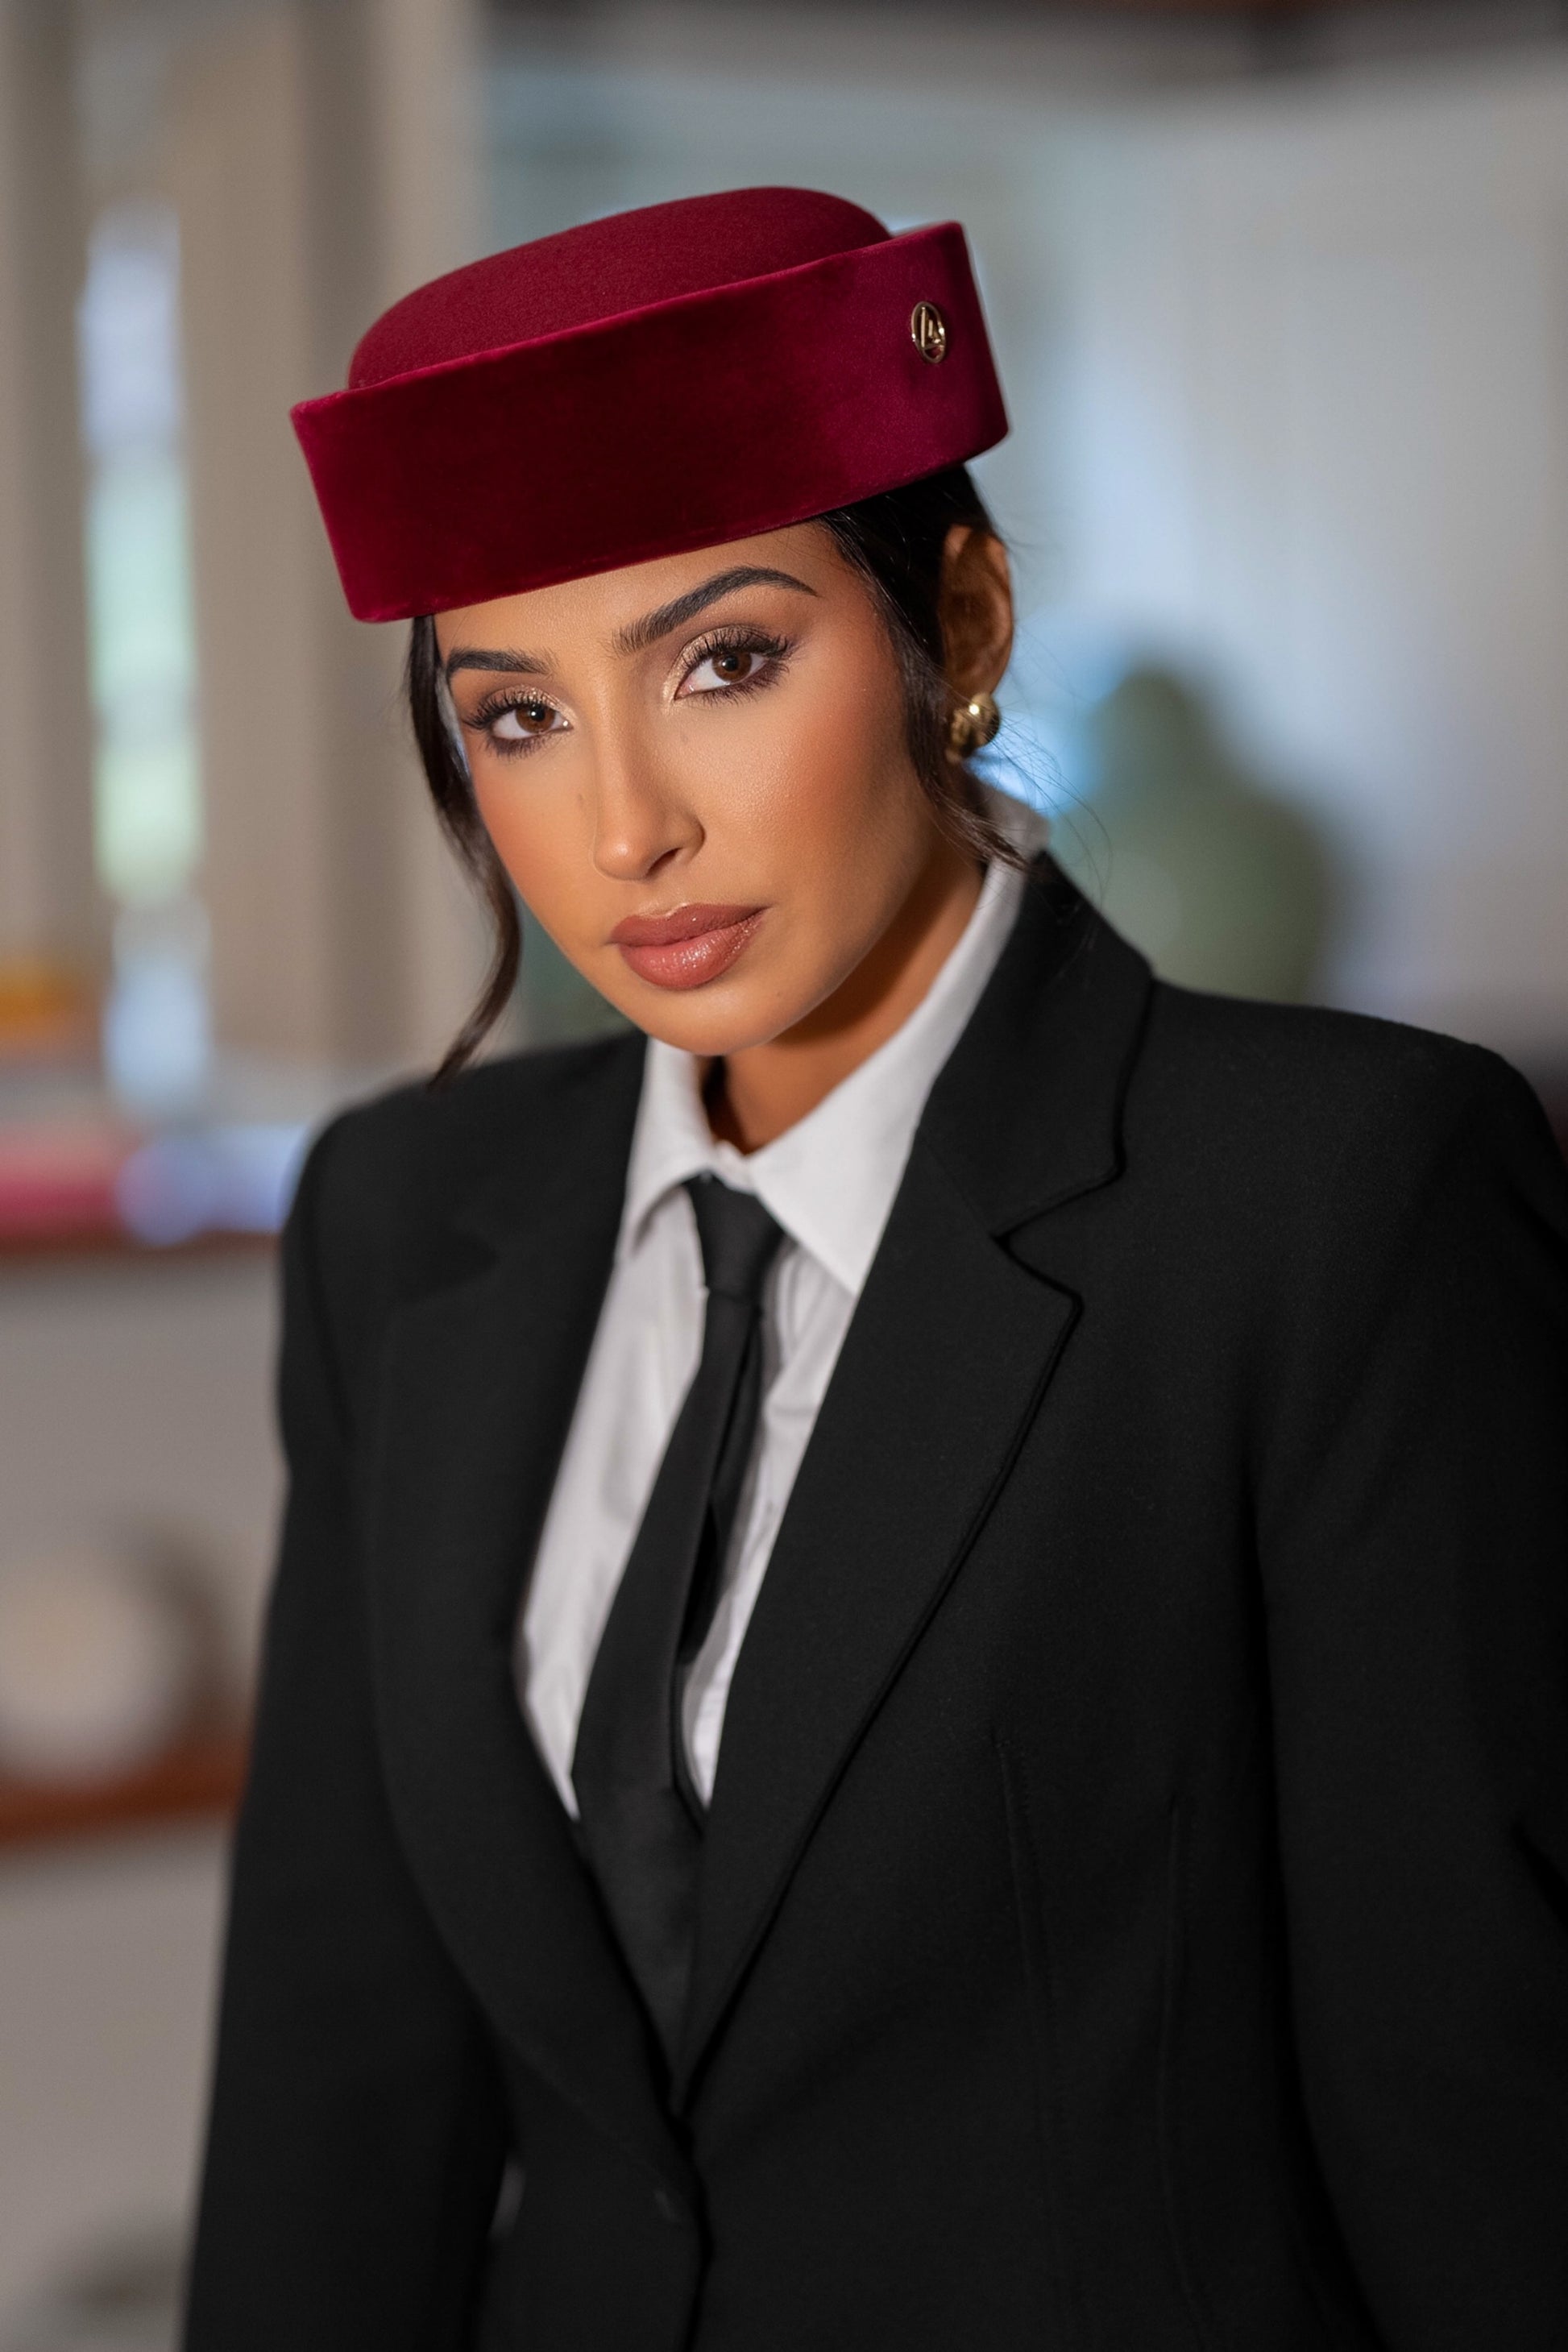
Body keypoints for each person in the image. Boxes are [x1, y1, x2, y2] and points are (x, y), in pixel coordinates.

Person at [184, 189, 1568, 2352]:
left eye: (722, 662)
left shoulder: (1332, 1199)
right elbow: (334, 2082)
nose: (625, 830)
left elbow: (1474, 2105)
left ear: (964, 616)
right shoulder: (403, 1218)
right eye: (516, 714)